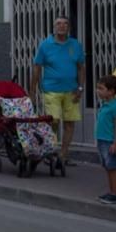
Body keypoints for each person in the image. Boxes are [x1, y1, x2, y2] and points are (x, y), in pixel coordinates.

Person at [31, 16, 85, 165]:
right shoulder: (45, 45)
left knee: (69, 123)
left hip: (71, 91)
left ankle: (63, 154)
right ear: (54, 27)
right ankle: (50, 152)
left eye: (65, 24)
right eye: (58, 24)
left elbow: (81, 68)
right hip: (51, 91)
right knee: (52, 121)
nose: (62, 26)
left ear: (69, 27)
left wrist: (80, 87)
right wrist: (33, 92)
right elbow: (37, 68)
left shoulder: (75, 45)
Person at [94, 76, 116, 204]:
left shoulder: (114, 106)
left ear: (111, 91)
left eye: (101, 88)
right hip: (102, 140)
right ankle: (112, 191)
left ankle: (115, 194)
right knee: (108, 167)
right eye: (98, 88)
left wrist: (115, 143)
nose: (98, 91)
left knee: (113, 168)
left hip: (109, 142)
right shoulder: (104, 105)